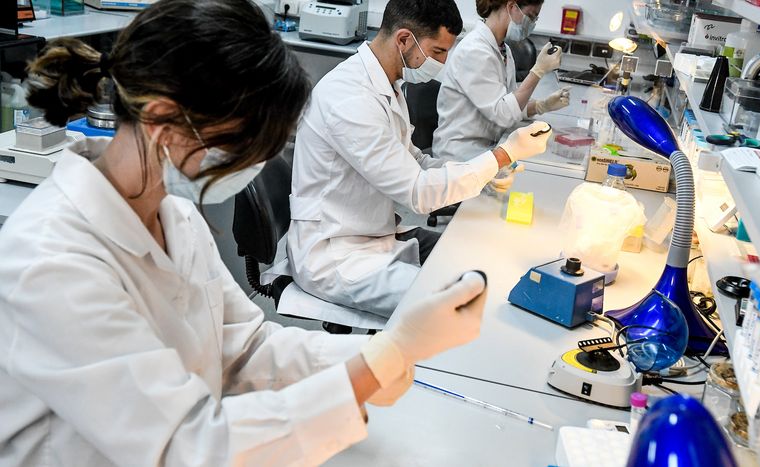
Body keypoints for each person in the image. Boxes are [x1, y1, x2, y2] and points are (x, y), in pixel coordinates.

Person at [0, 1, 492, 465]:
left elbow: (244, 349)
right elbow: (184, 447)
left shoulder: (176, 217)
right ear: (163, 120)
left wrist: (384, 351)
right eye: (241, 143)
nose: (252, 163)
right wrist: (366, 375)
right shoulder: (52, 261)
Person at [288, 0, 552, 318]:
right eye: (438, 52)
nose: (441, 63)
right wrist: (501, 155)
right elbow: (418, 193)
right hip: (339, 256)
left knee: (477, 256)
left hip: (375, 234)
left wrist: (486, 171)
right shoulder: (351, 100)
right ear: (403, 40)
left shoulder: (387, 85)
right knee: (464, 304)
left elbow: (416, 161)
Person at [433, 0, 570, 165]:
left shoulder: (503, 50)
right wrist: (537, 71)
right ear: (512, 7)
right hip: (460, 156)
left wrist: (541, 106)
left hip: (486, 148)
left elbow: (510, 101)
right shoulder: (475, 51)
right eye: (531, 16)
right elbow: (504, 113)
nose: (532, 24)